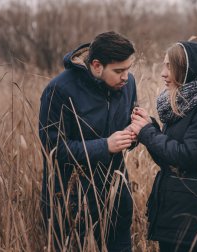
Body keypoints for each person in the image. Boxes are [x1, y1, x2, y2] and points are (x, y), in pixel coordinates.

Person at [39, 31, 137, 251]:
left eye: (128, 69)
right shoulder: (59, 90)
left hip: (117, 196)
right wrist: (105, 146)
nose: (125, 76)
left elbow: (129, 126)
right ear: (96, 65)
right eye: (119, 70)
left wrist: (136, 133)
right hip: (70, 200)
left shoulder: (127, 83)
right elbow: (53, 148)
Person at [130, 41, 197, 252]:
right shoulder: (184, 105)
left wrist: (148, 132)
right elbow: (168, 159)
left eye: (169, 66)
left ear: (187, 70)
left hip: (191, 212)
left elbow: (187, 156)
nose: (163, 73)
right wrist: (151, 126)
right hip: (173, 207)